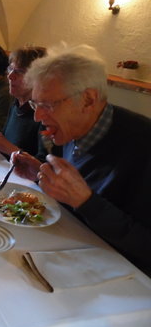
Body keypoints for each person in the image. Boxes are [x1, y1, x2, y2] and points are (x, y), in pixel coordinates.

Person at [11, 44, 151, 276]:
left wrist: (87, 201)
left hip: (124, 282)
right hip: (68, 254)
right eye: (36, 104)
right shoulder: (68, 131)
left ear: (88, 99)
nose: (37, 116)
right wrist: (40, 175)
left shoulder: (143, 145)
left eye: (47, 105)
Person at [0, 46, 56, 161]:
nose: (10, 76)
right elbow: (5, 137)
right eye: (11, 69)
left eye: (20, 71)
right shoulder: (16, 103)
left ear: (39, 78)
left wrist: (11, 149)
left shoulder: (43, 114)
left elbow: (45, 165)